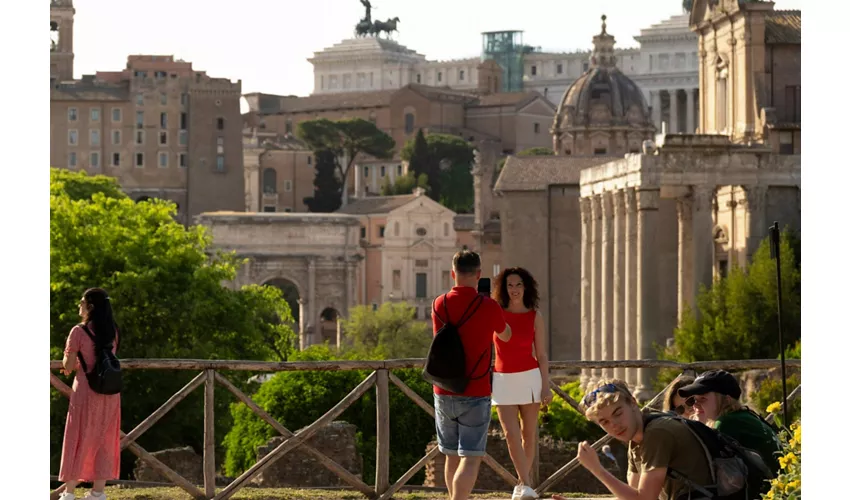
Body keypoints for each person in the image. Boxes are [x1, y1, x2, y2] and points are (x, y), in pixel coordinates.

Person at [432, 250, 512, 500]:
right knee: (471, 456)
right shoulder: (488, 306)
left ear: (452, 273)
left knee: (451, 455)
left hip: (444, 389)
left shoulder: (439, 303)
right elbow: (506, 335)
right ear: (479, 275)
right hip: (476, 390)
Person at [553, 379, 713, 500]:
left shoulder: (657, 433)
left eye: (617, 413)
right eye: (604, 422)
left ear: (633, 403)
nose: (614, 425)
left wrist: (597, 470)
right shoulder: (636, 440)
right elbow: (632, 496)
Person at [491, 267, 552, 500]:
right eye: (510, 285)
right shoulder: (496, 313)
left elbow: (542, 354)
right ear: (503, 288)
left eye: (518, 285)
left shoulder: (535, 316)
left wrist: (546, 386)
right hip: (502, 379)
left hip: (530, 377)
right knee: (510, 434)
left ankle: (522, 486)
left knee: (528, 434)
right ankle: (525, 483)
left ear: (525, 287)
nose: (514, 289)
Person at [58, 288, 121, 500]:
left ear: (90, 307)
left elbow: (68, 364)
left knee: (78, 437)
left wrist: (70, 363)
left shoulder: (78, 331)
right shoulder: (113, 331)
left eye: (81, 302)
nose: (79, 306)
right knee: (103, 439)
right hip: (109, 392)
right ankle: (98, 493)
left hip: (85, 391)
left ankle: (69, 493)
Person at [677, 370, 782, 474]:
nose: (695, 405)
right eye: (694, 400)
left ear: (726, 400)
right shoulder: (743, 416)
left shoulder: (727, 423)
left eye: (703, 398)